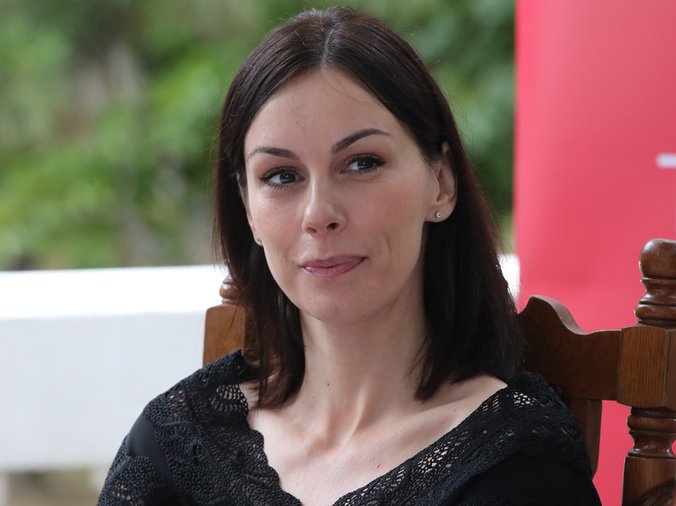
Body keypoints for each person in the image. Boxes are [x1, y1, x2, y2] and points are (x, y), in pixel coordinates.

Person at [98, 6, 601, 505]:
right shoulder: (172, 446)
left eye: (362, 163)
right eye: (281, 176)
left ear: (441, 183)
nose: (319, 214)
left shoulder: (519, 473)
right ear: (247, 207)